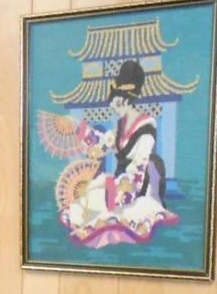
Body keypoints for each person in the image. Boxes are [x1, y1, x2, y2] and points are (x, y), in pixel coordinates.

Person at [58, 60, 178, 246]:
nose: (112, 106)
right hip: (120, 180)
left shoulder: (146, 129)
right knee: (90, 195)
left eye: (114, 101)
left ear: (123, 98)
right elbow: (101, 145)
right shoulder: (121, 126)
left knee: (102, 203)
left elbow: (139, 168)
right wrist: (77, 127)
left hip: (137, 186)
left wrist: (115, 190)